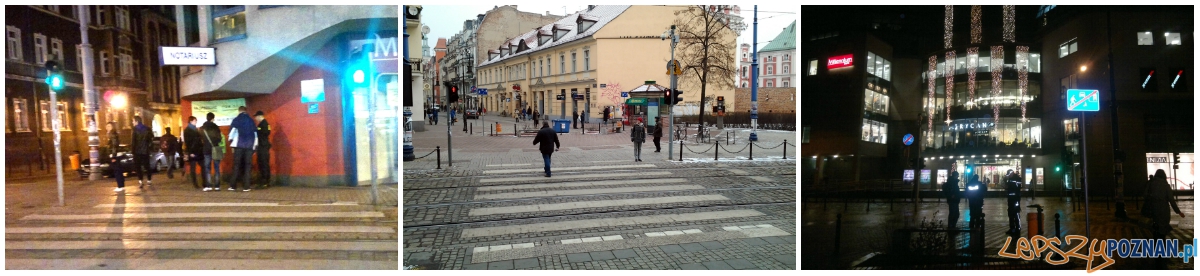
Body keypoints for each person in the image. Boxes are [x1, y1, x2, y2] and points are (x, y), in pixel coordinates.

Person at [229, 106, 258, 192]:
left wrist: (231, 143)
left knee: (236, 165)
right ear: (246, 111)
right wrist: (254, 148)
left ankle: (233, 186)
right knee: (248, 166)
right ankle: (246, 186)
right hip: (249, 146)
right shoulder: (251, 121)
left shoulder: (236, 120)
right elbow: (255, 135)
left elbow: (231, 134)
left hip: (239, 146)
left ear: (239, 111)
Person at [200, 113, 225, 191]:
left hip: (206, 150)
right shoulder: (216, 127)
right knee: (217, 168)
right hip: (215, 149)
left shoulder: (202, 128)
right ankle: (217, 186)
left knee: (207, 168)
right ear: (213, 119)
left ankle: (208, 186)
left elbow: (201, 139)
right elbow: (220, 138)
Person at [131, 115, 154, 189]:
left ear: (137, 121)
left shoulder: (134, 130)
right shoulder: (147, 129)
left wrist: (133, 151)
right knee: (147, 166)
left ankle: (140, 181)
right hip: (145, 151)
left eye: (133, 121)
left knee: (138, 167)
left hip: (137, 152)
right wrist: (148, 147)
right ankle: (149, 180)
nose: (132, 122)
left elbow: (133, 141)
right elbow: (151, 139)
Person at [183, 116, 204, 189]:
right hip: (192, 151)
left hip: (199, 151)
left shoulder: (196, 129)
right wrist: (190, 152)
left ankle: (204, 182)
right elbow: (187, 142)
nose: (196, 122)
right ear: (191, 121)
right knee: (193, 168)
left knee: (203, 166)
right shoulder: (187, 130)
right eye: (195, 120)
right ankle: (195, 183)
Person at [254, 111, 272, 188]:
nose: (255, 118)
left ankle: (264, 182)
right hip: (264, 146)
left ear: (260, 116)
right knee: (264, 163)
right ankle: (266, 181)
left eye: (256, 116)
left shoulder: (263, 124)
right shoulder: (265, 124)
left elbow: (264, 134)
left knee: (263, 163)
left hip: (262, 146)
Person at [108, 122, 126, 192]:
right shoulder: (113, 134)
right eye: (107, 126)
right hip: (115, 154)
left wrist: (113, 157)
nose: (108, 128)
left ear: (113, 127)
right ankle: (121, 185)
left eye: (109, 126)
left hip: (115, 155)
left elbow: (114, 146)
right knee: (118, 170)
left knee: (117, 171)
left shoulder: (112, 134)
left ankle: (120, 186)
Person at [1004, 169, 1022, 235]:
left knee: (1016, 213)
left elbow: (1017, 188)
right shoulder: (1009, 179)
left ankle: (1018, 228)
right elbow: (1008, 187)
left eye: (1009, 175)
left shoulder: (1017, 179)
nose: (1008, 176)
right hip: (1010, 199)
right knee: (1010, 214)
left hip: (1015, 199)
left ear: (1012, 173)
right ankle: (1012, 228)